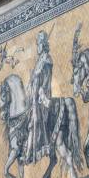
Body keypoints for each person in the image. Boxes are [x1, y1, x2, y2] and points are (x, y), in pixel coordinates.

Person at [25, 31, 53, 164]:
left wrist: (41, 91)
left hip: (42, 95)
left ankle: (37, 149)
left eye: (39, 43)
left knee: (36, 119)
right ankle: (29, 151)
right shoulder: (39, 61)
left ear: (43, 44)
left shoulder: (47, 59)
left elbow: (46, 78)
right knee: (28, 119)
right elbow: (34, 78)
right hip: (34, 97)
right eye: (37, 44)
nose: (37, 46)